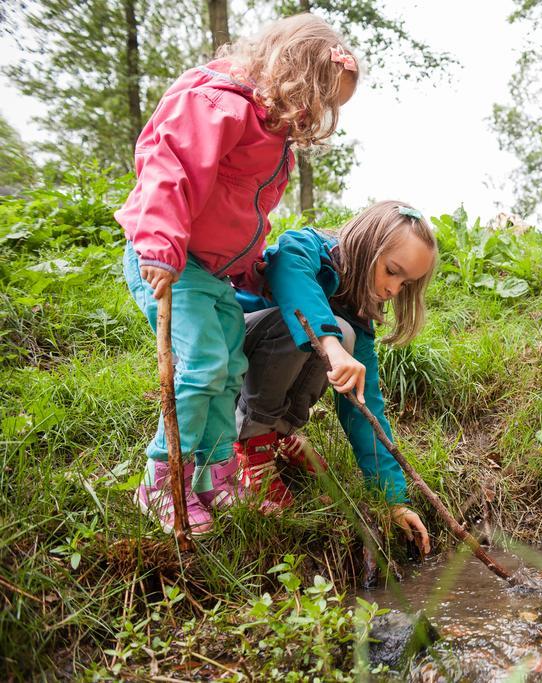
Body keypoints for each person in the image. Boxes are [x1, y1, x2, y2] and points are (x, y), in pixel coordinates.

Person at [117, 14, 360, 535]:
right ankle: (162, 478)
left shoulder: (275, 144)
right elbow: (167, 167)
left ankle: (209, 476)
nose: (320, 114)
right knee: (203, 363)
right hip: (168, 260)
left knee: (228, 367)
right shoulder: (217, 104)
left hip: (211, 273)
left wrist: (251, 271)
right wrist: (160, 245)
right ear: (295, 75)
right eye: (322, 98)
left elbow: (245, 217)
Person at [233, 202, 436, 556]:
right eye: (391, 271)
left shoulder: (357, 314)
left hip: (267, 374)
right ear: (368, 245)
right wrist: (331, 342)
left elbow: (365, 404)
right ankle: (249, 443)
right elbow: (288, 268)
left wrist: (393, 500)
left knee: (346, 335)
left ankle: (275, 434)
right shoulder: (309, 247)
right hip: (229, 357)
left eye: (405, 284)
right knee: (332, 331)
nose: (393, 289)